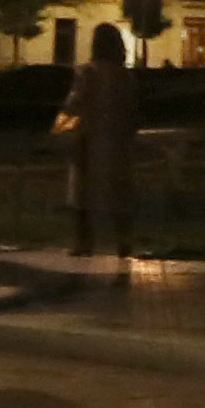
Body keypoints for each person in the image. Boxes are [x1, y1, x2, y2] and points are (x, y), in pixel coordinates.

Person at [59, 22, 136, 261]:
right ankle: (124, 240)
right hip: (117, 141)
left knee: (82, 194)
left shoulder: (87, 72)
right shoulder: (125, 76)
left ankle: (84, 242)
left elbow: (74, 104)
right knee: (118, 193)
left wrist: (62, 130)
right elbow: (132, 109)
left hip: (88, 139)